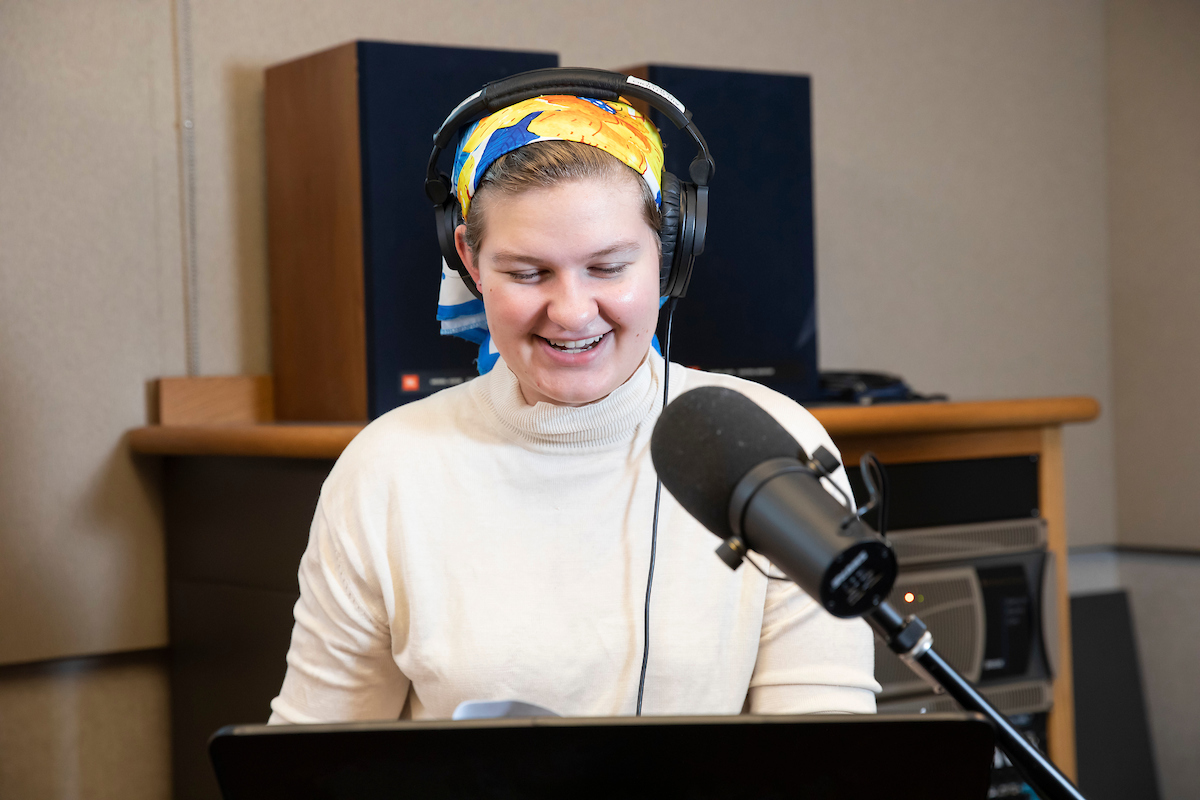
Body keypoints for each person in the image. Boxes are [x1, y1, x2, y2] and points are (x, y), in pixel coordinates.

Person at [268, 88, 880, 725]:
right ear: (471, 264)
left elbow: (825, 749)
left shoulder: (771, 444)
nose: (573, 312)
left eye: (608, 267)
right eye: (529, 274)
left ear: (668, 256)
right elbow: (312, 756)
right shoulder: (387, 469)